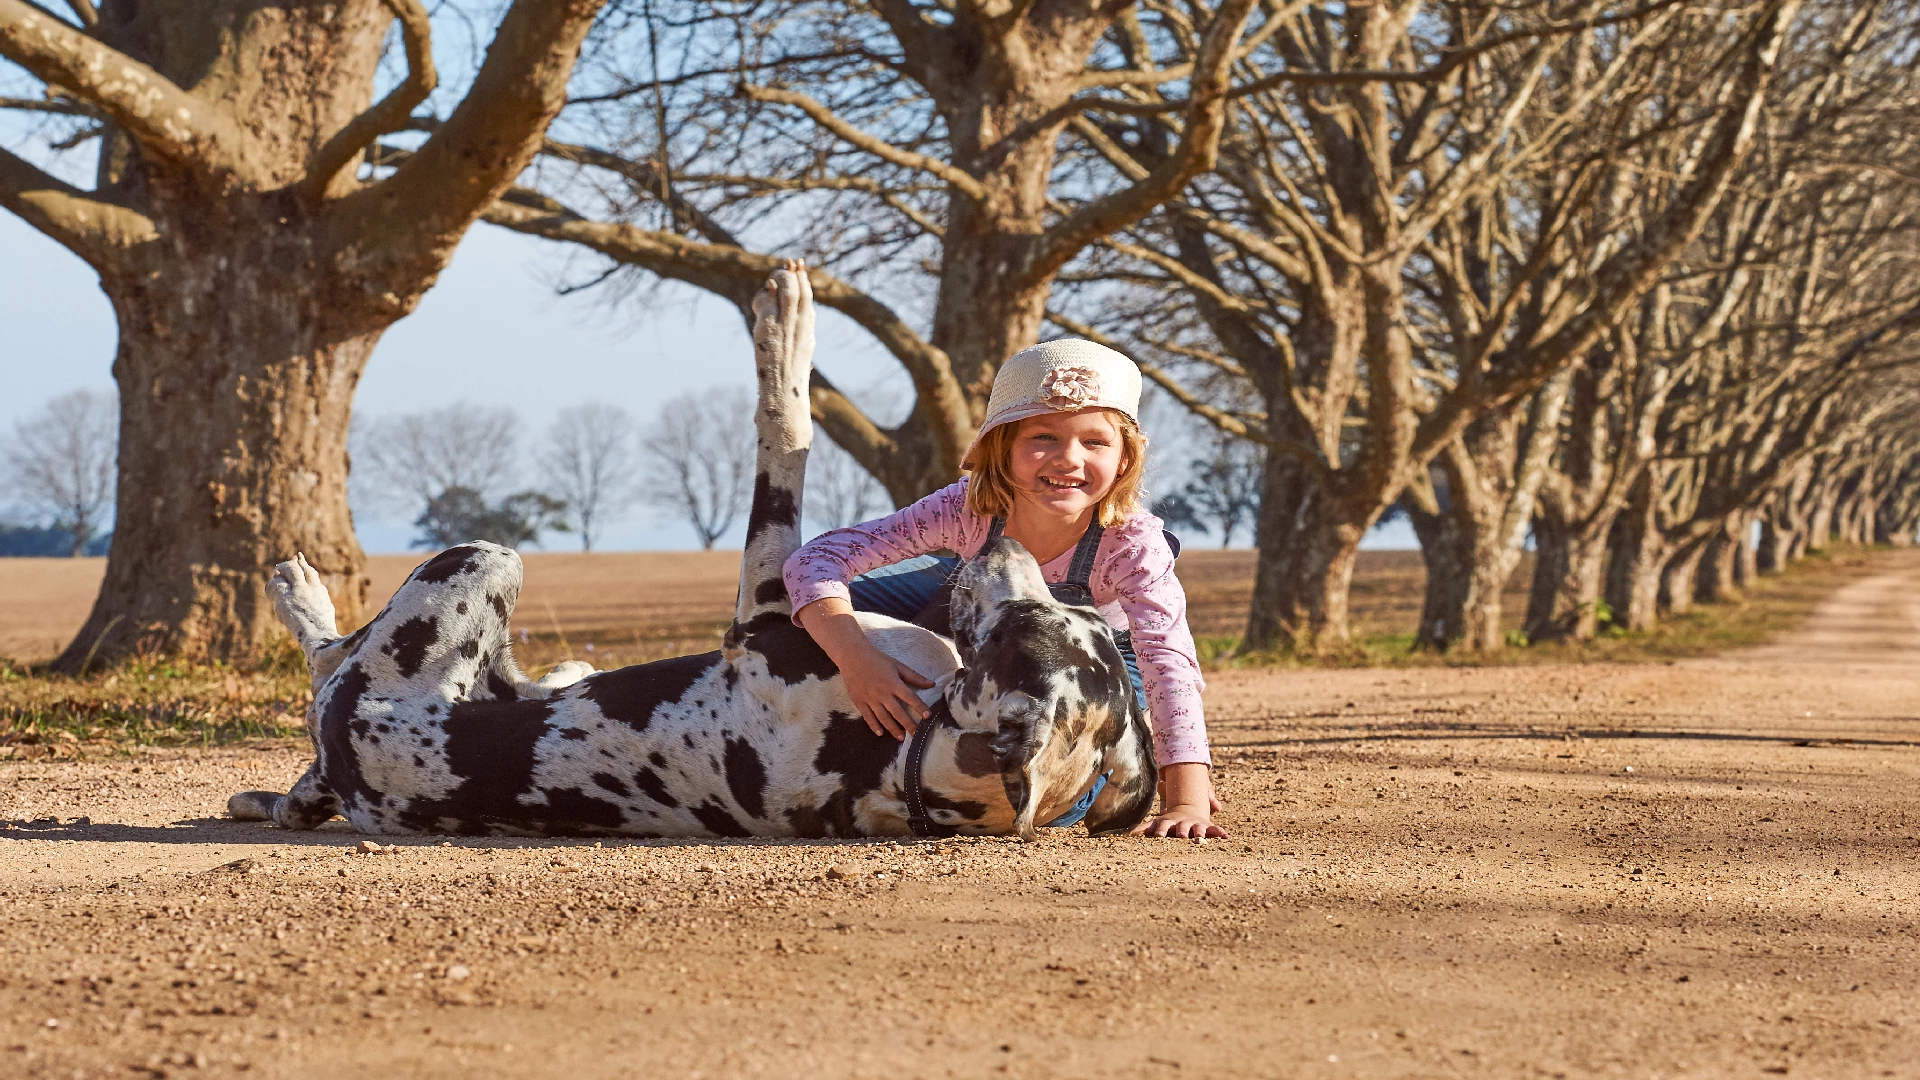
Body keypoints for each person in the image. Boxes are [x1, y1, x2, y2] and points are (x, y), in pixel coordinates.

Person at [783, 339, 1225, 839]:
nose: (1068, 460)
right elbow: (816, 558)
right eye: (1043, 437)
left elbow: (1167, 661)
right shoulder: (965, 508)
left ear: (1124, 459)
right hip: (982, 607)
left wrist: (1185, 792)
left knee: (1065, 790)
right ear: (1002, 447)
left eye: (1095, 442)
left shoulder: (1133, 543)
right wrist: (856, 656)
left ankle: (1135, 730)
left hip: (1103, 653)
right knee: (797, 601)